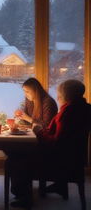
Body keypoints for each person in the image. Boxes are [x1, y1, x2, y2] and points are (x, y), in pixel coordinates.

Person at [9, 80, 91, 208]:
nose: (57, 97)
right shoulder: (81, 108)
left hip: (59, 159)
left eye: (59, 94)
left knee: (16, 157)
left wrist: (39, 131)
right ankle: (30, 192)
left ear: (66, 96)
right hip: (72, 157)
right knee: (17, 152)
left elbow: (55, 142)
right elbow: (59, 135)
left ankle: (24, 197)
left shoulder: (68, 114)